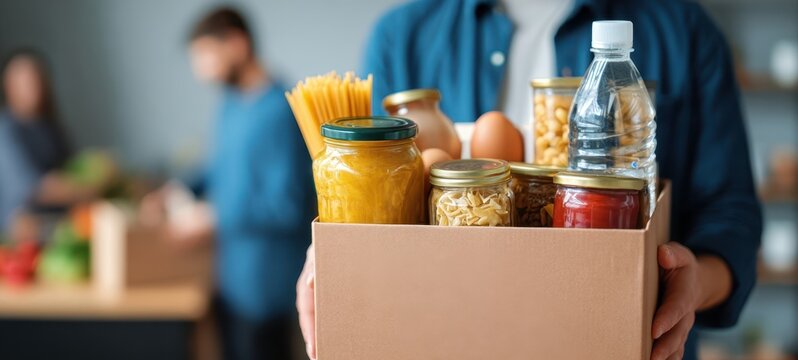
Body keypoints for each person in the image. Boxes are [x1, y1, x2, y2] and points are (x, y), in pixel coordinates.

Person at [296, 1, 763, 360]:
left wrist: (693, 283)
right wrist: (336, 251)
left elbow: (732, 217)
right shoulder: (405, 36)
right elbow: (372, 195)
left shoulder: (682, 31)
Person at [143, 7, 316, 360]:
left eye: (205, 55)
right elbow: (219, 168)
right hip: (229, 281)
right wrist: (176, 190)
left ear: (237, 44)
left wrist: (213, 217)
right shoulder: (230, 104)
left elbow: (286, 205)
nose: (200, 70)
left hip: (267, 289)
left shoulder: (283, 110)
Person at [0, 49, 104, 236]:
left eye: (37, 80)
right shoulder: (6, 131)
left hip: (64, 225)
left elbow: (71, 167)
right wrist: (89, 190)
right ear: (9, 86)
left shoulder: (49, 127)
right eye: (26, 82)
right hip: (27, 232)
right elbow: (35, 188)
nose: (34, 87)